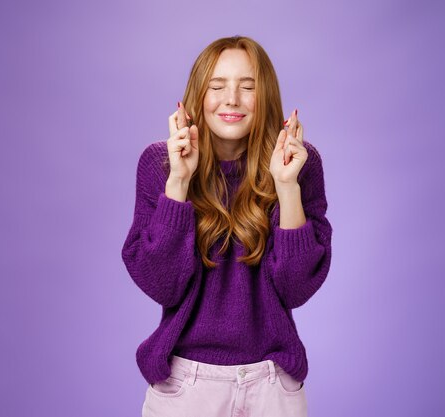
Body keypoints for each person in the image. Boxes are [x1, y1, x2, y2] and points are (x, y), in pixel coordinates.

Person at [121, 35, 333, 417]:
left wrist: (286, 187)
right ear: (198, 96)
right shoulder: (160, 164)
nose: (231, 99)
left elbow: (297, 288)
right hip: (185, 387)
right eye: (217, 86)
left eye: (247, 87)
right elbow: (162, 285)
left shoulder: (300, 164)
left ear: (265, 96)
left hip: (274, 386)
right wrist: (179, 184)